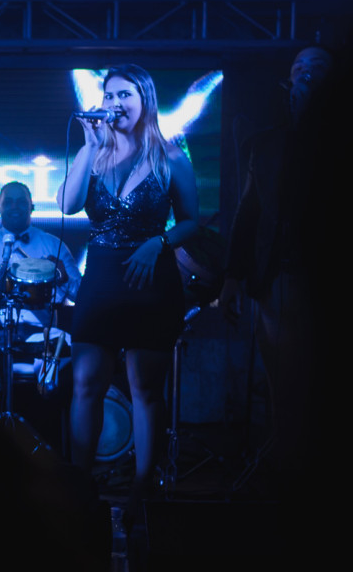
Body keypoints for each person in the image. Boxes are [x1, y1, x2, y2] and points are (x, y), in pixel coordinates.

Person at [57, 64, 199, 511]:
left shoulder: (171, 155)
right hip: (101, 280)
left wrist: (158, 243)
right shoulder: (94, 154)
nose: (115, 104)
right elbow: (67, 204)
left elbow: (192, 221)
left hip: (150, 280)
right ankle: (80, 486)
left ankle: (141, 491)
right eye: (110, 95)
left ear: (145, 101)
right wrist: (88, 146)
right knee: (85, 382)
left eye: (125, 95)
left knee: (145, 388)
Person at [219, 45, 333, 478]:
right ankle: (287, 469)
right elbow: (248, 212)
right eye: (300, 67)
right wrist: (232, 277)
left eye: (318, 68)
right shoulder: (266, 144)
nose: (307, 73)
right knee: (281, 382)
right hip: (278, 278)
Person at [0, 180, 81, 331]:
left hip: (41, 336)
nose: (15, 207)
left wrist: (64, 280)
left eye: (21, 202)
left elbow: (80, 296)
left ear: (32, 207)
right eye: (8, 202)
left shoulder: (54, 245)